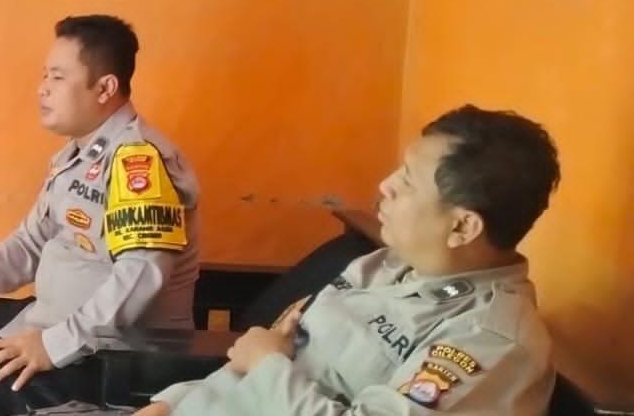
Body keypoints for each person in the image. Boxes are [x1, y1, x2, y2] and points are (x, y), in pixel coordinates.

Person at [138, 105, 561, 416]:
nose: (386, 185)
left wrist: (266, 364)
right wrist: (173, 402)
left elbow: (265, 360)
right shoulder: (382, 265)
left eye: (408, 181)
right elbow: (269, 359)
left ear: (463, 227)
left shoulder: (487, 342)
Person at [0, 15, 202, 416]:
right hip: (57, 321)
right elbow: (32, 243)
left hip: (119, 353)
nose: (42, 88)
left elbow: (140, 277)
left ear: (105, 88)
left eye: (58, 77)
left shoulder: (140, 162)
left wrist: (53, 345)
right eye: (45, 75)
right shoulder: (77, 156)